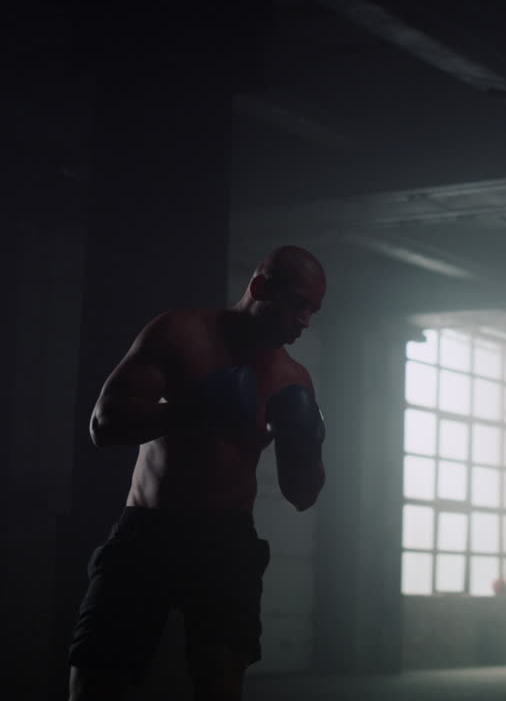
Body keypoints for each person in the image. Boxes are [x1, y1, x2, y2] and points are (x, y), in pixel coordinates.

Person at [66, 245, 328, 701]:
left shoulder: (293, 380)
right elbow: (103, 425)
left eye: (313, 310)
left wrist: (308, 442)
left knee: (220, 682)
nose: (304, 321)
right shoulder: (179, 332)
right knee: (96, 678)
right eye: (297, 303)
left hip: (226, 539)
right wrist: (194, 408)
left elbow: (301, 494)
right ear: (260, 287)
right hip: (148, 529)